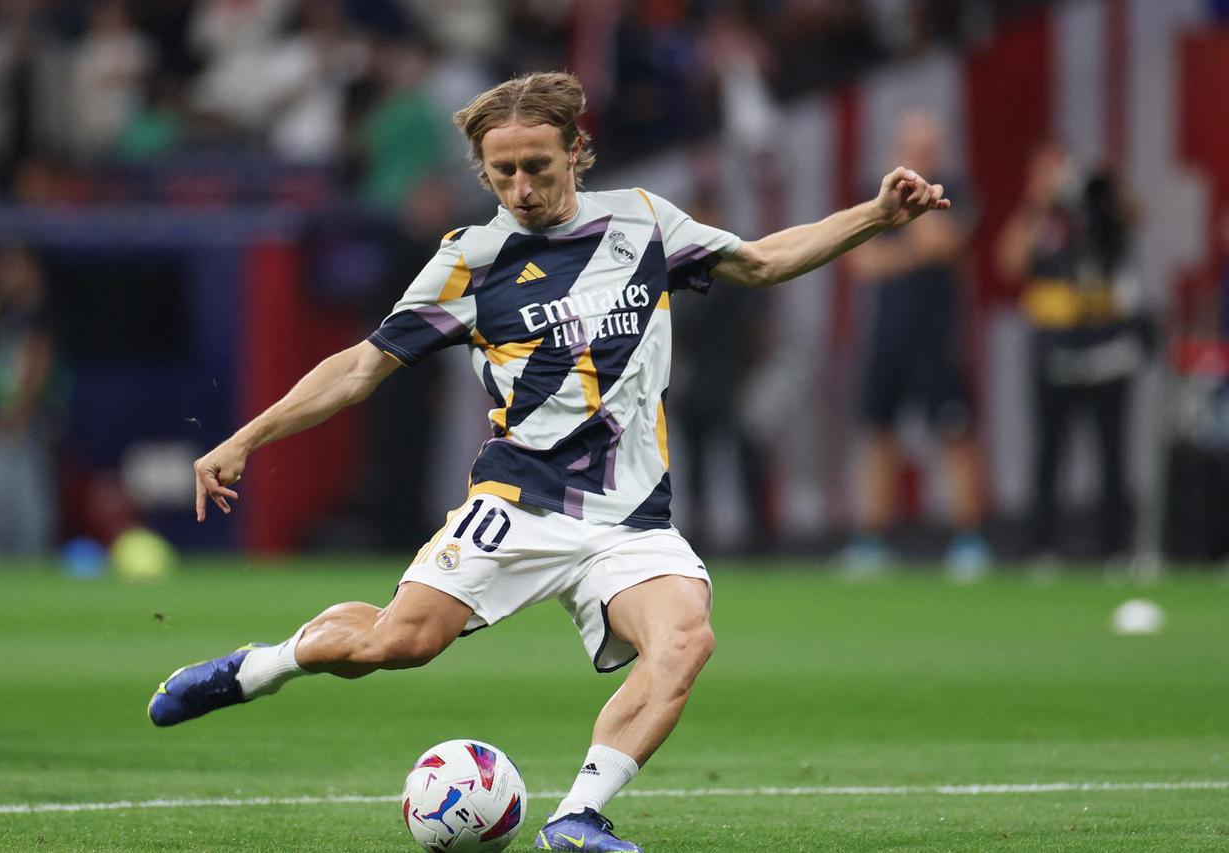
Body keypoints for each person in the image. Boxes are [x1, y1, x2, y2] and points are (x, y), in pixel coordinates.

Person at [147, 71, 950, 852]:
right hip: (519, 503)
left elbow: (764, 260)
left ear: (575, 152)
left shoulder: (644, 223)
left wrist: (878, 214)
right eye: (502, 172)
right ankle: (261, 666)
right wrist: (246, 437)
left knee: (685, 638)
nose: (522, 188)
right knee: (397, 643)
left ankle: (577, 818)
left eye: (537, 166)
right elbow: (360, 367)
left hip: (630, 521)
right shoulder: (471, 259)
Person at [844, 111, 989, 579]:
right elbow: (861, 263)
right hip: (887, 338)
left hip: (937, 339)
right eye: (910, 148)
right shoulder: (877, 194)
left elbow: (942, 245)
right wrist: (905, 248)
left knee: (954, 434)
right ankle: (870, 541)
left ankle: (968, 539)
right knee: (877, 436)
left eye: (925, 149)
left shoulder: (953, 191)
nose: (917, 156)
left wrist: (916, 206)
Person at [997, 145, 1148, 561]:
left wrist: (1106, 190)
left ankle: (1116, 547)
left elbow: (1136, 216)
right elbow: (1009, 263)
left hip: (1106, 347)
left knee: (1112, 452)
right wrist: (1038, 204)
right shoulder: (1042, 219)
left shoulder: (1098, 209)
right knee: (1049, 451)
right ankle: (1041, 545)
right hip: (1056, 349)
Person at [0, 241, 61, 555]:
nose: (5, 273)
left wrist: (19, 411)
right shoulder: (7, 310)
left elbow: (39, 360)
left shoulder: (40, 310)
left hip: (25, 419)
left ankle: (33, 555)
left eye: (12, 265)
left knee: (26, 496)